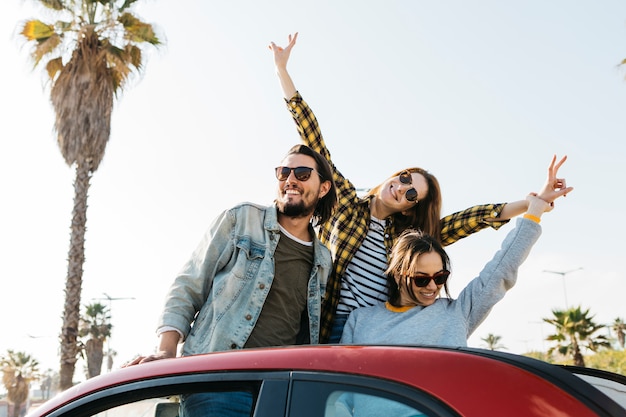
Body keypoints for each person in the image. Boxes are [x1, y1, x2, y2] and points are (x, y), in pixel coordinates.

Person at [269, 33, 567, 343]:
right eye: (405, 178)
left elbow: (471, 220)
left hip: (375, 330)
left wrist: (533, 203)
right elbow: (313, 137)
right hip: (326, 320)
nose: (401, 188)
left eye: (411, 194)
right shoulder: (345, 201)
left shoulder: (404, 239)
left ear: (410, 207)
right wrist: (282, 71)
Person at [336, 156, 572, 417]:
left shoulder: (457, 313)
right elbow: (341, 391)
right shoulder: (361, 321)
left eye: (440, 277)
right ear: (398, 273)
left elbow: (502, 267)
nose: (432, 287)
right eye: (421, 279)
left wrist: (534, 210)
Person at [125, 144, 337, 416]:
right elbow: (190, 283)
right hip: (217, 379)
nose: (290, 180)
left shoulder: (322, 258)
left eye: (302, 173)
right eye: (284, 172)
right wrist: (166, 352)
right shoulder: (243, 219)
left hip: (280, 391)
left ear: (323, 188)